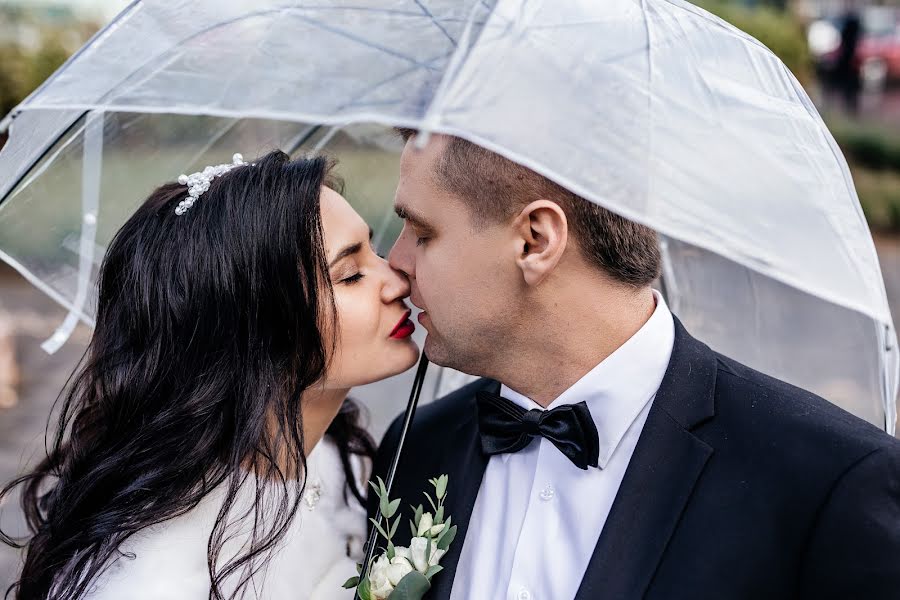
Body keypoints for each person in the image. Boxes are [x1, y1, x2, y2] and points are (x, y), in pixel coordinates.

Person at [371, 130, 900, 600]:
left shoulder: (828, 485)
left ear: (536, 240)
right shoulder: (415, 448)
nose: (394, 262)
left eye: (422, 232)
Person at [0, 150, 419, 600]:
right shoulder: (156, 578)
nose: (397, 281)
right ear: (254, 328)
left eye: (374, 250)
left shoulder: (340, 456)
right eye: (351, 274)